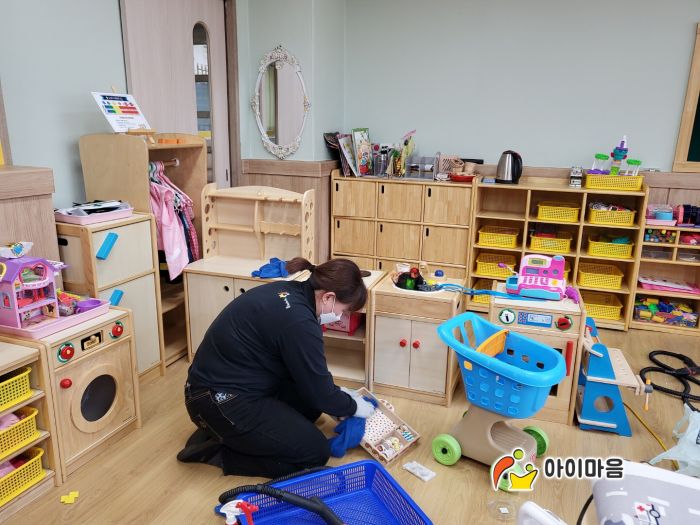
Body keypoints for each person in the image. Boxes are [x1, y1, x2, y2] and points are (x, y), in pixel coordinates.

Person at [177, 257, 375, 477]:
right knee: (314, 453)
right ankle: (221, 452)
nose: (341, 316)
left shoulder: (290, 291)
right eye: (344, 311)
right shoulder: (299, 322)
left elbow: (312, 381)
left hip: (218, 389)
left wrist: (337, 399)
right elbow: (320, 391)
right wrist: (350, 406)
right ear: (328, 297)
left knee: (310, 405)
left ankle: (223, 432)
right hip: (217, 400)